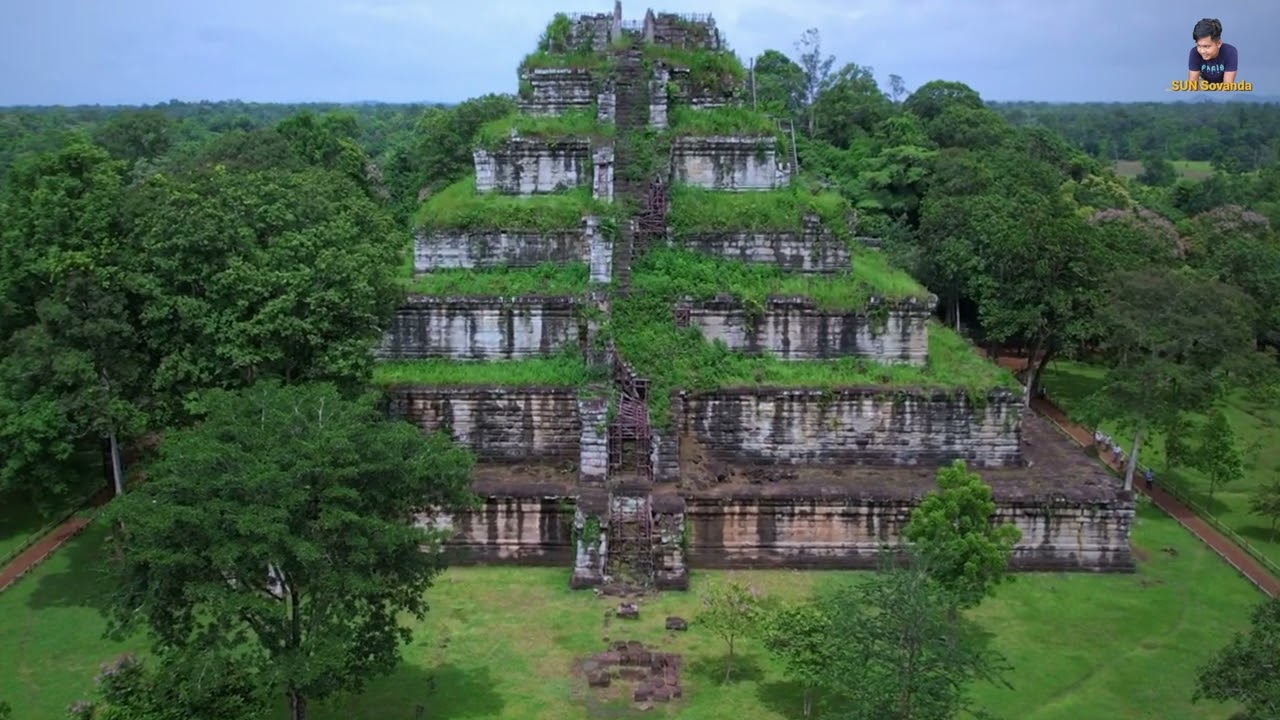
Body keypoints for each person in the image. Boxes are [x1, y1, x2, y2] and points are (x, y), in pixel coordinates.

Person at [1187, 18, 1238, 86]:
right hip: (1203, 82)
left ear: (1219, 43)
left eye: (1207, 46)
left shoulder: (1230, 52)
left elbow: (1227, 86)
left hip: (1222, 84)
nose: (1202, 51)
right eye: (1199, 46)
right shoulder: (1194, 52)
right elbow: (1192, 85)